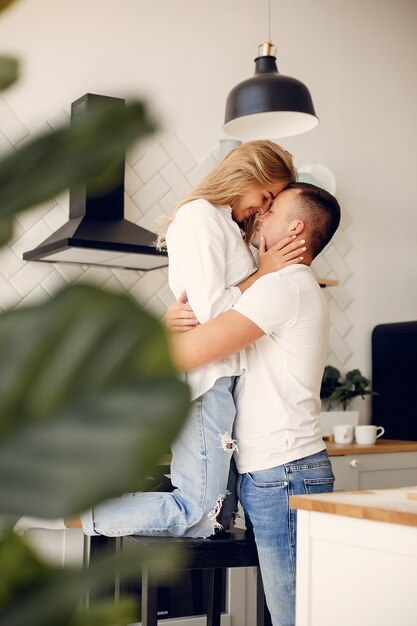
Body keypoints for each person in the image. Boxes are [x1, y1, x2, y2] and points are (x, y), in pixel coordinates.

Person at [14, 140, 305, 538]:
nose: (264, 208)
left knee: (218, 516)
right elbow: (212, 314)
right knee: (200, 514)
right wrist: (264, 273)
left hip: (223, 380)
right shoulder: (199, 216)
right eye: (266, 196)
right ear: (246, 174)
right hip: (209, 380)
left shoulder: (229, 227)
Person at [168, 182, 341, 626]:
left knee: (294, 616)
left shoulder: (284, 286)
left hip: (283, 475)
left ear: (295, 227)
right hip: (282, 472)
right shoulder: (289, 285)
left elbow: (192, 352)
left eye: (272, 210)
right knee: (297, 611)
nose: (259, 217)